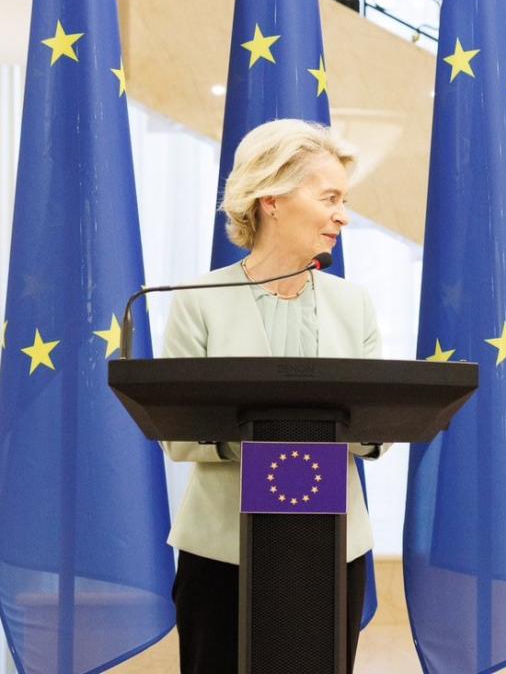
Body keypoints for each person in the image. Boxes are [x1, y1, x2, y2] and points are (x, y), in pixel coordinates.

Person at [160, 119, 383, 673]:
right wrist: (281, 444)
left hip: (333, 551)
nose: (342, 215)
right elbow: (180, 434)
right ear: (272, 199)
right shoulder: (196, 300)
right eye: (329, 197)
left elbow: (377, 425)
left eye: (344, 199)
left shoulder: (354, 305)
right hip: (221, 552)